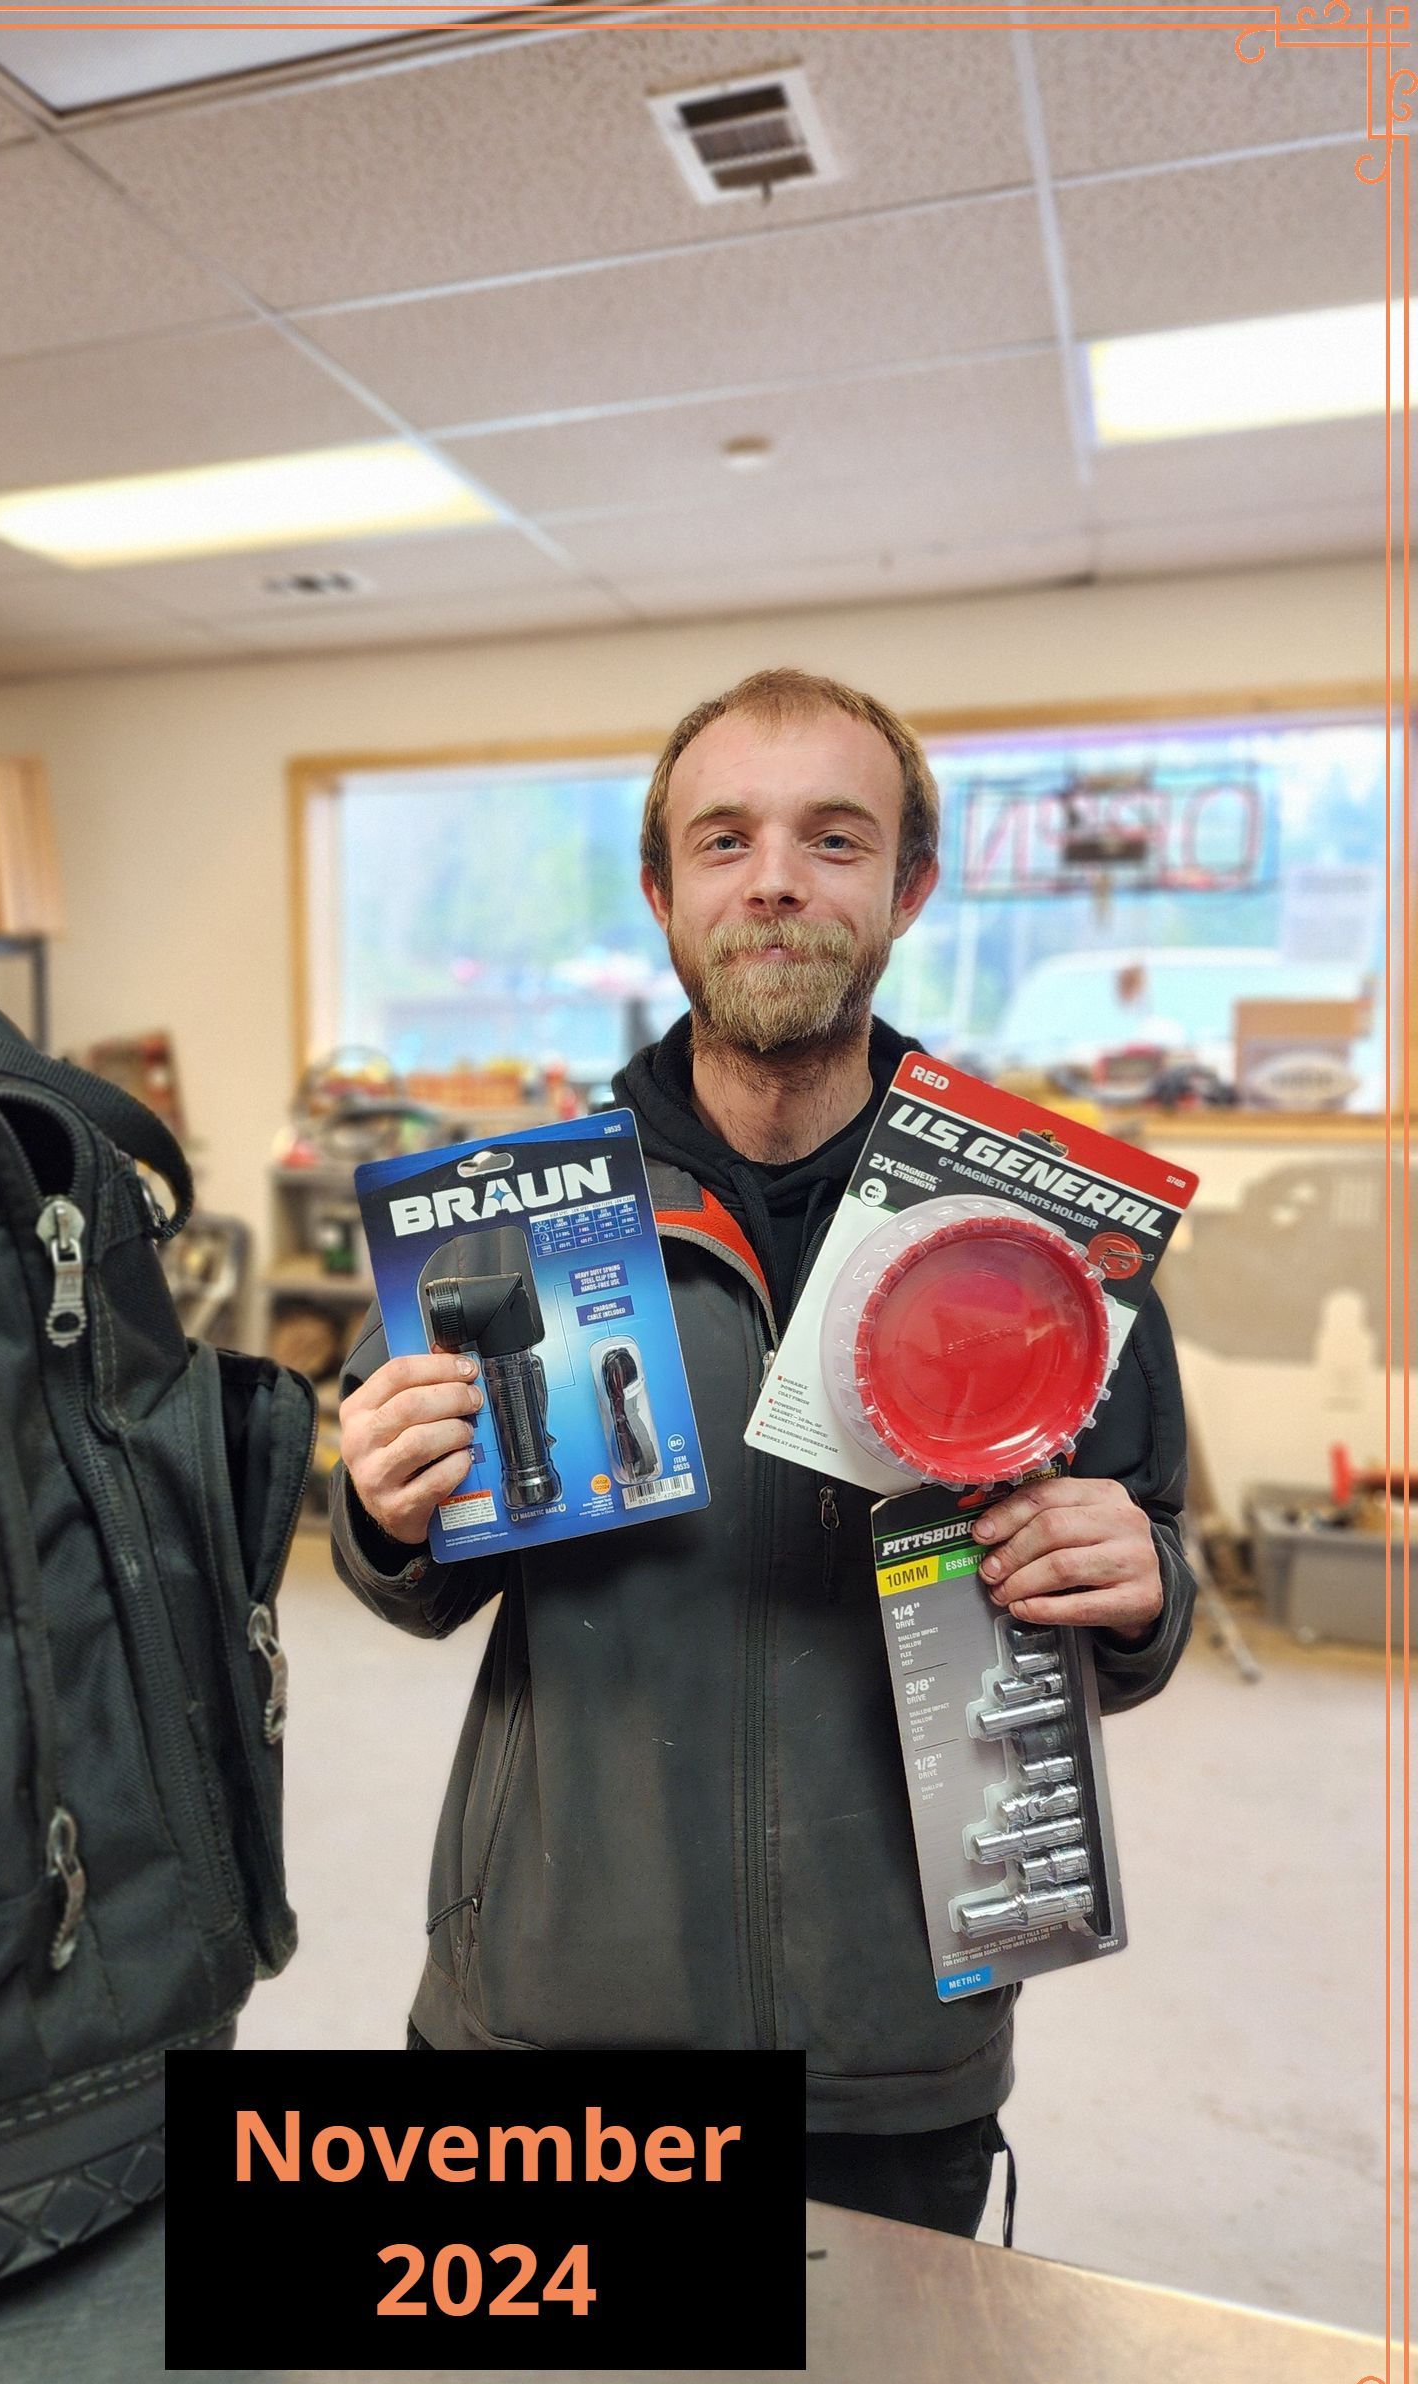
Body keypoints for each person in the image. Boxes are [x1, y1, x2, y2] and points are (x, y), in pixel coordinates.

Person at [328, 667, 1193, 2241]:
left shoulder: (1038, 1240)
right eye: (723, 840)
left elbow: (1136, 1600)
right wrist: (383, 1507)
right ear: (663, 893)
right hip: (548, 2016)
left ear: (909, 889)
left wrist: (1138, 1590)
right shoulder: (512, 1218)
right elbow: (404, 1586)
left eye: (834, 840)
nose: (776, 878)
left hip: (889, 2051)